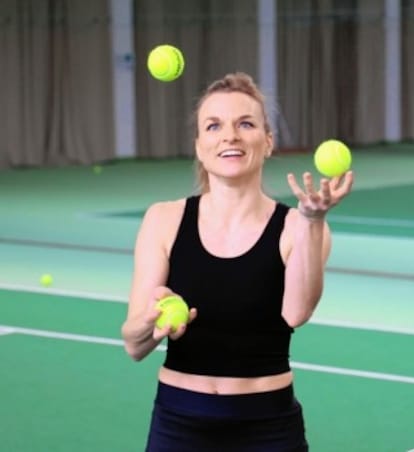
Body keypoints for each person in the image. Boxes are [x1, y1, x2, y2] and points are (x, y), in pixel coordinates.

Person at [121, 72, 354, 451]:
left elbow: (296, 313)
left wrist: (312, 220)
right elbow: (134, 345)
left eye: (245, 124)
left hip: (268, 426)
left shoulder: (299, 226)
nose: (229, 135)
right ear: (199, 146)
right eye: (213, 126)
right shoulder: (163, 219)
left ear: (267, 141)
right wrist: (148, 323)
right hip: (178, 423)